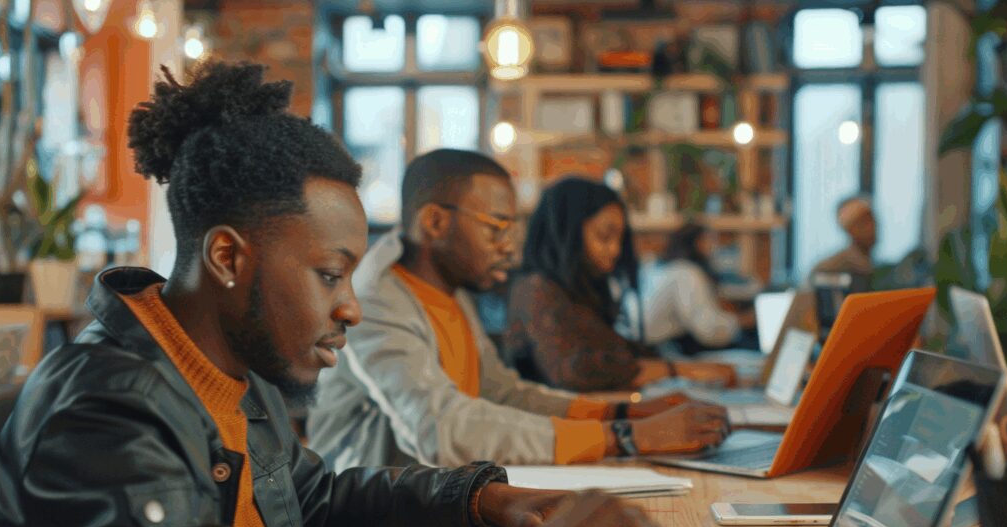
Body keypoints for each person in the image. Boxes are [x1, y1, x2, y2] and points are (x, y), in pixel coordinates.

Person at [0, 62, 680, 527]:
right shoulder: (105, 414)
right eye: (330, 274)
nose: (351, 305)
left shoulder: (235, 372)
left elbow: (317, 500)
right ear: (228, 257)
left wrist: (483, 501)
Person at [307, 150, 729, 473]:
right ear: (434, 222)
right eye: (496, 228)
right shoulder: (373, 300)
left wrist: (621, 413)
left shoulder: (450, 292)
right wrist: (625, 436)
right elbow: (440, 430)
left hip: (440, 501)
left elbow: (502, 393)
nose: (508, 246)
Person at [502, 177, 738, 392]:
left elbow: (619, 352)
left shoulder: (577, 292)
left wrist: (685, 369)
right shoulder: (535, 289)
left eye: (620, 239)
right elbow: (577, 372)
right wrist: (679, 370)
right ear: (566, 233)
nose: (615, 250)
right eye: (604, 236)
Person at [639, 223, 755, 355]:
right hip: (660, 350)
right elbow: (707, 330)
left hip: (650, 345)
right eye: (709, 240)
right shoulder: (686, 273)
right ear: (697, 242)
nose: (714, 246)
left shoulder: (657, 266)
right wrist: (743, 321)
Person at [808, 196, 876, 290]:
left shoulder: (875, 267)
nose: (872, 227)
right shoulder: (828, 269)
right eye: (864, 222)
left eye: (872, 219)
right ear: (849, 229)